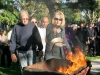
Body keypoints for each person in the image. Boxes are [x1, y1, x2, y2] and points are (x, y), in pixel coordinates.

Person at [9, 10, 43, 74]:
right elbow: (12, 40)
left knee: (32, 70)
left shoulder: (33, 26)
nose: (25, 20)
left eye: (26, 18)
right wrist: (12, 53)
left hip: (31, 51)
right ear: (20, 18)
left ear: (28, 18)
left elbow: (38, 39)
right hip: (21, 52)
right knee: (24, 71)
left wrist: (40, 49)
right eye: (23, 19)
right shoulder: (16, 27)